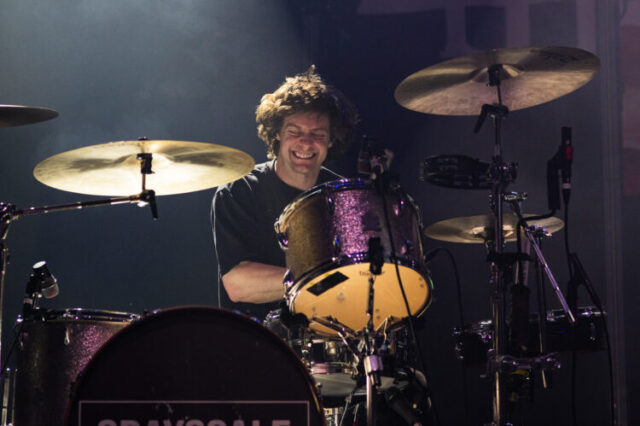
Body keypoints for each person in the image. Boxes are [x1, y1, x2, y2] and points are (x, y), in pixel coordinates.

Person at [211, 67, 358, 320]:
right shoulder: (239, 191)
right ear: (277, 133)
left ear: (331, 140)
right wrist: (323, 279)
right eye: (294, 131)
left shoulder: (345, 196)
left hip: (332, 334)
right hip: (255, 337)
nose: (305, 142)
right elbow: (238, 285)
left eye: (318, 134)